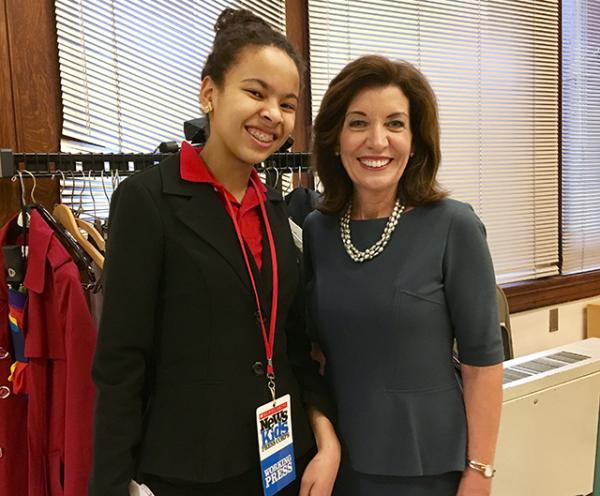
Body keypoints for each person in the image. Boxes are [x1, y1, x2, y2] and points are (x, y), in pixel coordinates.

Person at [89, 8, 340, 496]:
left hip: (280, 456)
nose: (273, 114)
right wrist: (110, 486)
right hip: (190, 471)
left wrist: (326, 441)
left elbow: (289, 342)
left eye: (287, 104)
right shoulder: (148, 200)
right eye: (255, 92)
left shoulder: (271, 203)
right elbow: (120, 364)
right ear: (210, 93)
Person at [304, 55, 504, 496]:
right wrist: (324, 438)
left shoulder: (454, 225)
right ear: (336, 139)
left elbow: (482, 364)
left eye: (395, 124)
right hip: (338, 463)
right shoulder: (317, 230)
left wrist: (480, 472)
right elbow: (313, 353)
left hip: (426, 468)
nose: (377, 141)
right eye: (358, 123)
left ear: (414, 142)